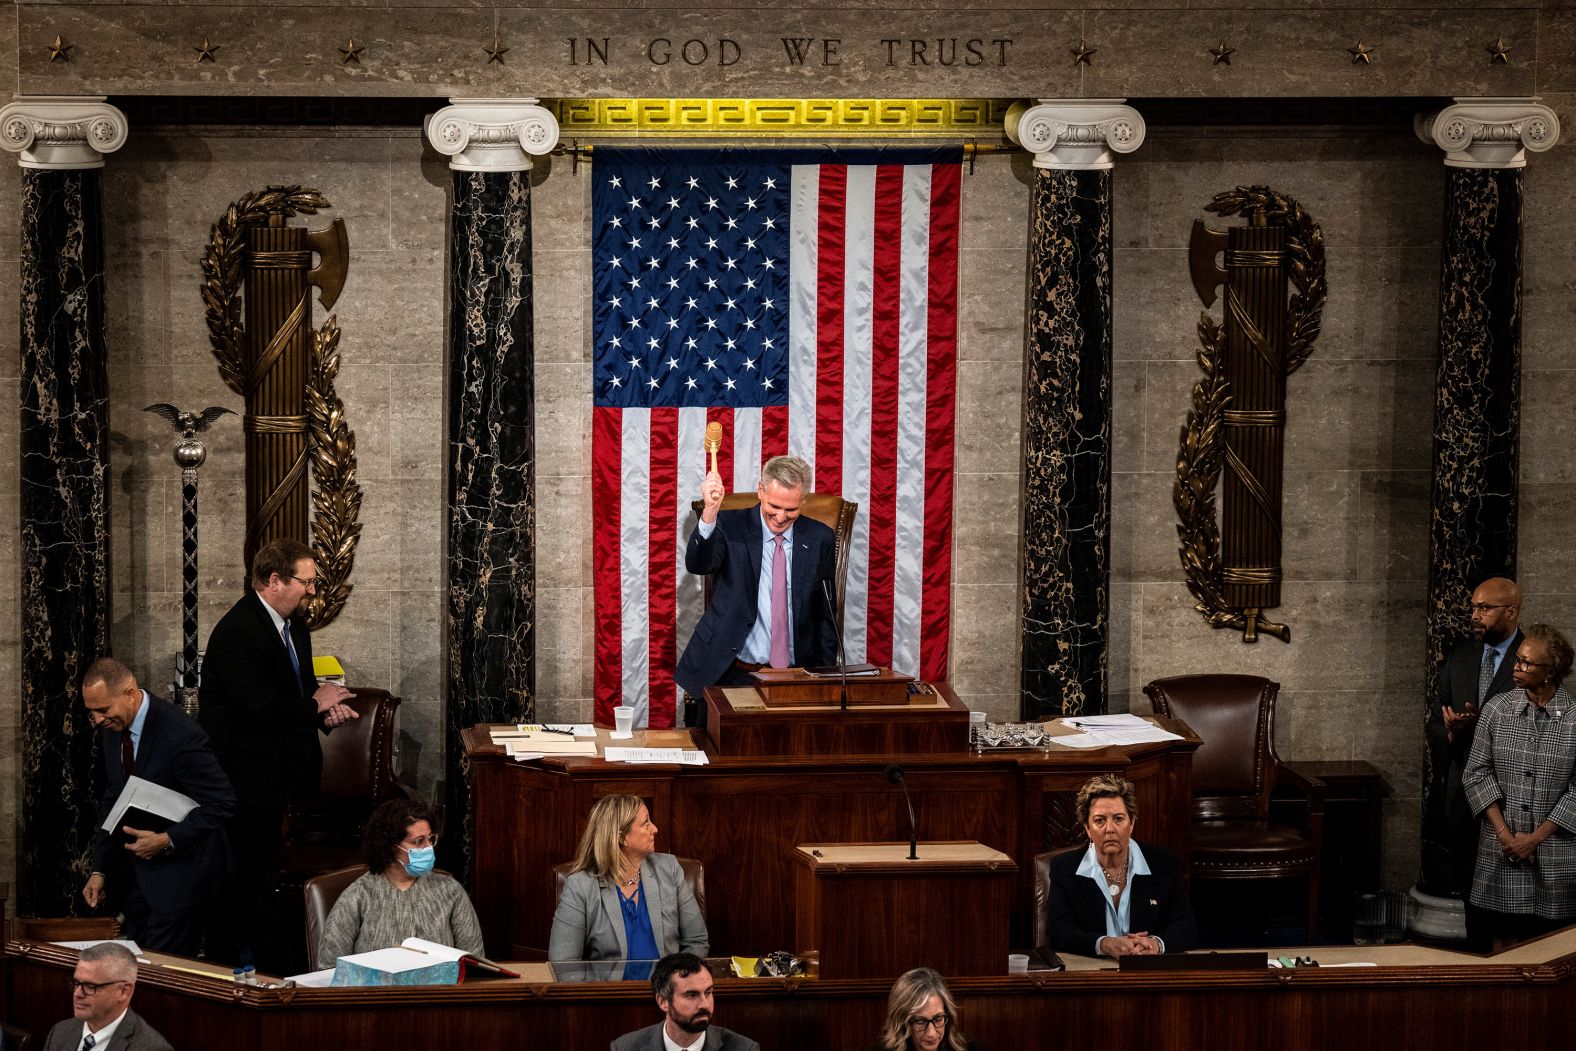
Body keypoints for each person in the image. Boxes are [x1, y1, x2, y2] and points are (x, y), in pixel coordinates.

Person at [199, 537, 359, 973]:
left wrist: (327, 712)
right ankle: (265, 974)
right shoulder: (238, 632)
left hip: (288, 777)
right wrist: (315, 704)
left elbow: (299, 694)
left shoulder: (296, 626)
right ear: (274, 580)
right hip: (247, 780)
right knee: (251, 883)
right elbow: (261, 709)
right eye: (305, 582)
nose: (311, 591)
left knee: (265, 877)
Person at [79, 658, 235, 957]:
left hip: (182, 879)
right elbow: (115, 797)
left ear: (129, 692)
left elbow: (222, 803)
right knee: (139, 970)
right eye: (91, 713)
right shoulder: (112, 727)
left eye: (103, 710)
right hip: (136, 880)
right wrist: (100, 869)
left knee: (162, 978)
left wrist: (167, 840)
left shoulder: (180, 733)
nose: (97, 720)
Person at [674, 454, 839, 727]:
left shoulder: (819, 538)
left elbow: (825, 617)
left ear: (803, 501)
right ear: (761, 490)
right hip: (731, 670)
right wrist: (710, 512)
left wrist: (824, 681)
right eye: (774, 506)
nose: (781, 517)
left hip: (795, 674)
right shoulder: (730, 526)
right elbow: (698, 564)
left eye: (791, 509)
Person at [1461, 623, 1576, 950]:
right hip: (1502, 851)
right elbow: (1476, 774)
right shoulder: (1497, 710)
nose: (1517, 667)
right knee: (1502, 943)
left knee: (1554, 949)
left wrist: (1535, 839)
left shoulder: (1573, 719)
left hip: (1556, 855)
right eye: (1517, 659)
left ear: (1551, 670)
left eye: (1527, 663)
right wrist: (1506, 837)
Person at [1424, 576, 1523, 921]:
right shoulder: (1461, 656)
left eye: (1484, 608)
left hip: (1513, 789)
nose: (1474, 615)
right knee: (1467, 883)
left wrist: (1482, 725)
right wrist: (1451, 731)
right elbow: (1435, 718)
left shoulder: (1532, 657)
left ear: (1511, 611)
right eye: (1473, 607)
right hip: (1462, 785)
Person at [315, 799, 484, 968]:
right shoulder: (358, 895)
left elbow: (475, 962)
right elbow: (329, 967)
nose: (428, 847)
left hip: (439, 993)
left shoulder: (450, 891)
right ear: (390, 846)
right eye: (419, 841)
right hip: (376, 993)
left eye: (430, 838)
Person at [1045, 773, 1196, 957]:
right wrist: (1104, 944)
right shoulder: (1065, 868)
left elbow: (1185, 926)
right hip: (1091, 974)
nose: (1110, 829)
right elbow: (1058, 932)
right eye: (1099, 820)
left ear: (1131, 823)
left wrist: (1156, 944)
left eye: (1118, 819)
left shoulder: (1164, 863)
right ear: (1087, 827)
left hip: (1147, 970)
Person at [550, 795, 708, 963]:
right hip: (610, 988)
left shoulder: (669, 868)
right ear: (620, 837)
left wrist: (678, 979)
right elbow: (563, 963)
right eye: (646, 823)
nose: (655, 829)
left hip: (666, 986)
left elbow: (696, 942)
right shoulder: (580, 886)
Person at [610, 952, 759, 1051]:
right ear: (663, 1002)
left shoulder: (744, 1048)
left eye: (708, 993)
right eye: (691, 995)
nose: (705, 1004)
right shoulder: (625, 1048)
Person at [41, 942, 172, 1051]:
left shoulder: (151, 1048)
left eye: (90, 986)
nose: (77, 994)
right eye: (76, 983)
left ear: (123, 991)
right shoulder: (60, 1032)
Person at [868, 967, 983, 1051]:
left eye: (938, 1019)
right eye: (920, 1021)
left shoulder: (971, 1048)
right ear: (902, 1022)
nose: (931, 1034)